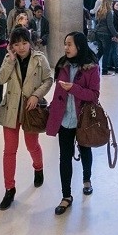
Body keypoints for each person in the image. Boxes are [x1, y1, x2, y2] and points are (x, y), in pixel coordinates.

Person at [0, 27, 53, 210]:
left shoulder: (39, 59)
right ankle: (9, 189)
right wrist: (10, 61)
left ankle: (38, 167)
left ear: (30, 42)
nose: (21, 47)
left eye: (24, 43)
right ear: (11, 45)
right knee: (9, 150)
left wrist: (36, 96)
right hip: (11, 110)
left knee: (31, 145)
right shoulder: (9, 59)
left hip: (30, 110)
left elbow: (49, 79)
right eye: (16, 44)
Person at [46, 32, 100, 215]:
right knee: (64, 156)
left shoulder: (91, 67)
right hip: (64, 118)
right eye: (65, 44)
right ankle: (66, 195)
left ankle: (87, 179)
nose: (65, 47)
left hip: (83, 118)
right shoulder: (62, 64)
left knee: (85, 150)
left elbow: (94, 95)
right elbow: (57, 92)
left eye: (69, 44)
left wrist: (74, 89)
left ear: (79, 46)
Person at [94, 0, 118, 76]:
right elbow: (110, 25)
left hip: (98, 32)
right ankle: (105, 70)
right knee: (106, 52)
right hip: (106, 34)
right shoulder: (109, 12)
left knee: (100, 51)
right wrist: (116, 35)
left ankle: (92, 65)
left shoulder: (99, 10)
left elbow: (96, 22)